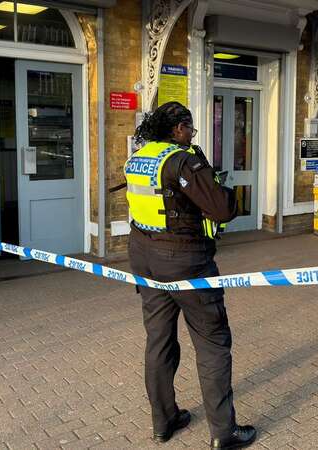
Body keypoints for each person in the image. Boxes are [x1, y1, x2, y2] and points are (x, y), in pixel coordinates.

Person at [125, 102, 257, 448]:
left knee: (159, 341)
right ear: (179, 128)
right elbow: (222, 209)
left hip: (144, 258)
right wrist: (218, 183)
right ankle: (223, 433)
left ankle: (164, 421)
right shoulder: (183, 160)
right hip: (186, 261)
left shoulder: (140, 157)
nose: (192, 136)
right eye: (191, 130)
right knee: (212, 344)